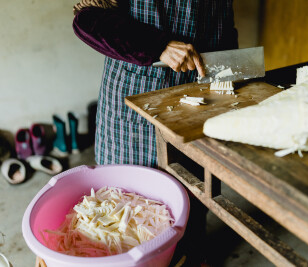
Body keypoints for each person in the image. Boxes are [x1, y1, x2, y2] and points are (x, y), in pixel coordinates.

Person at [73, 0, 238, 265]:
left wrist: (230, 71)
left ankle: (191, 255)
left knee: (194, 191)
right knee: (129, 213)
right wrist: (156, 46)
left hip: (202, 93)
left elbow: (223, 25)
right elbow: (86, 19)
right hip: (137, 97)